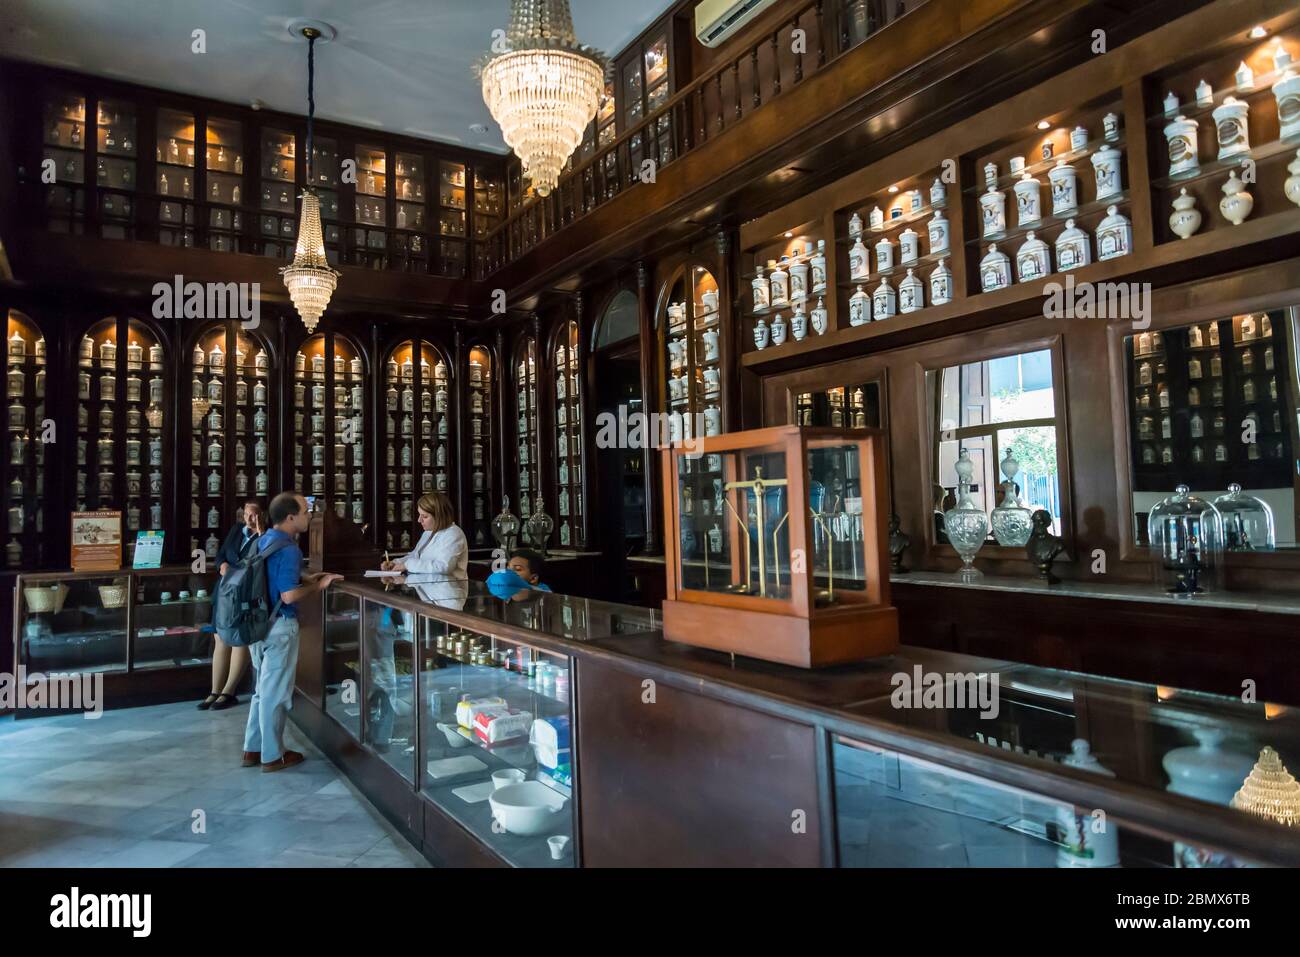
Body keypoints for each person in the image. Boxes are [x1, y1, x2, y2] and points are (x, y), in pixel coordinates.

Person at [241, 492, 342, 772]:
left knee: (262, 690)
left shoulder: (263, 540)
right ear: (290, 517)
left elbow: (275, 578)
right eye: (305, 512)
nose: (309, 516)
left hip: (257, 625)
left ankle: (253, 747)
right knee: (275, 693)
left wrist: (307, 576)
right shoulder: (288, 548)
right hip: (279, 627)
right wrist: (317, 587)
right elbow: (288, 595)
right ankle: (273, 755)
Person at [199, 500, 263, 711]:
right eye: (246, 514)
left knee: (238, 638)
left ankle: (229, 691)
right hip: (225, 591)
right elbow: (221, 554)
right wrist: (222, 564)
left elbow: (261, 559)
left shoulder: (264, 536)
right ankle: (214, 691)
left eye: (254, 515)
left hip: (245, 592)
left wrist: (261, 532)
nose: (249, 519)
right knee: (220, 637)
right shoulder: (237, 531)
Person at [486, 548, 553, 601]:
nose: (509, 572)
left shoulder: (546, 594)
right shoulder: (511, 592)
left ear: (533, 578)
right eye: (508, 568)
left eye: (517, 569)